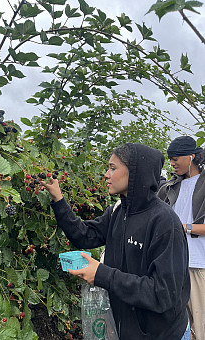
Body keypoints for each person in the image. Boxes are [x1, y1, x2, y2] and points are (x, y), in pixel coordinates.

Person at [42, 143, 190, 340]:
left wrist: (102, 274)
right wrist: (58, 199)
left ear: (136, 172)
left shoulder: (164, 223)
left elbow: (163, 295)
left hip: (162, 334)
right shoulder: (118, 212)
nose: (106, 174)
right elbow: (83, 235)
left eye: (113, 168)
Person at [158, 136, 205, 340]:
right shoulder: (170, 187)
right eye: (170, 159)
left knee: (200, 325)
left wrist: (181, 227)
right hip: (173, 264)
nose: (172, 163)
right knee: (177, 327)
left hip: (198, 264)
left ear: (191, 156)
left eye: (176, 158)